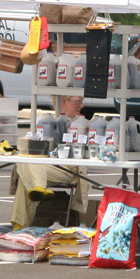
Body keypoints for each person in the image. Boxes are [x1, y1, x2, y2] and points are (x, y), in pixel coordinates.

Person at [10, 95, 88, 229]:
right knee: (25, 161)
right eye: (78, 101)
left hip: (68, 168)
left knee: (27, 173)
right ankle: (37, 188)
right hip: (46, 165)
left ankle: (18, 227)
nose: (81, 106)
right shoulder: (47, 122)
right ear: (65, 101)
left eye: (81, 102)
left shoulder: (84, 124)